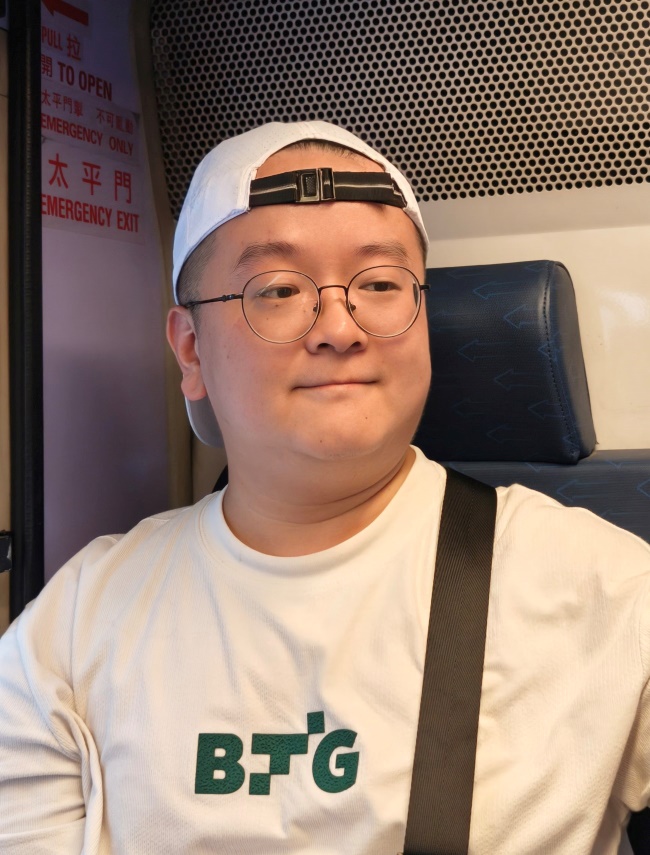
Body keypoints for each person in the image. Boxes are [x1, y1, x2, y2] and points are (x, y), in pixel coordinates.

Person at [1, 120, 650, 855]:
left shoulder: (605, 590)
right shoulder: (75, 625)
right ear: (191, 350)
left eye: (381, 284)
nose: (339, 327)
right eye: (279, 289)